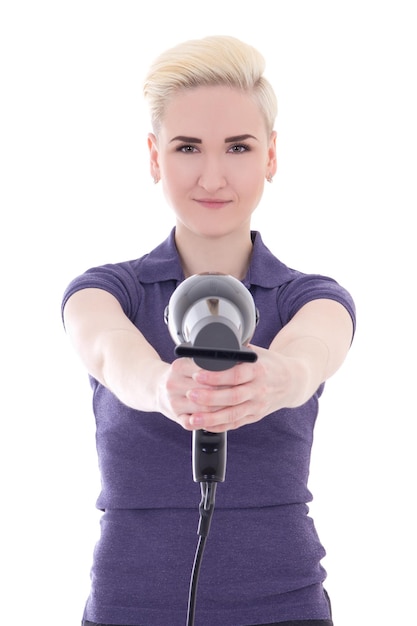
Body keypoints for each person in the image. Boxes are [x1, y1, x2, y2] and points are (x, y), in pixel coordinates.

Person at [62, 35, 356, 626]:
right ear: (154, 157)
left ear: (271, 156)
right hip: (127, 609)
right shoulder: (104, 291)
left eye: (239, 147)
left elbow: (312, 351)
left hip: (285, 608)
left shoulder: (313, 298)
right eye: (188, 147)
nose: (213, 176)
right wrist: (161, 386)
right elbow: (109, 350)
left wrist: (281, 378)